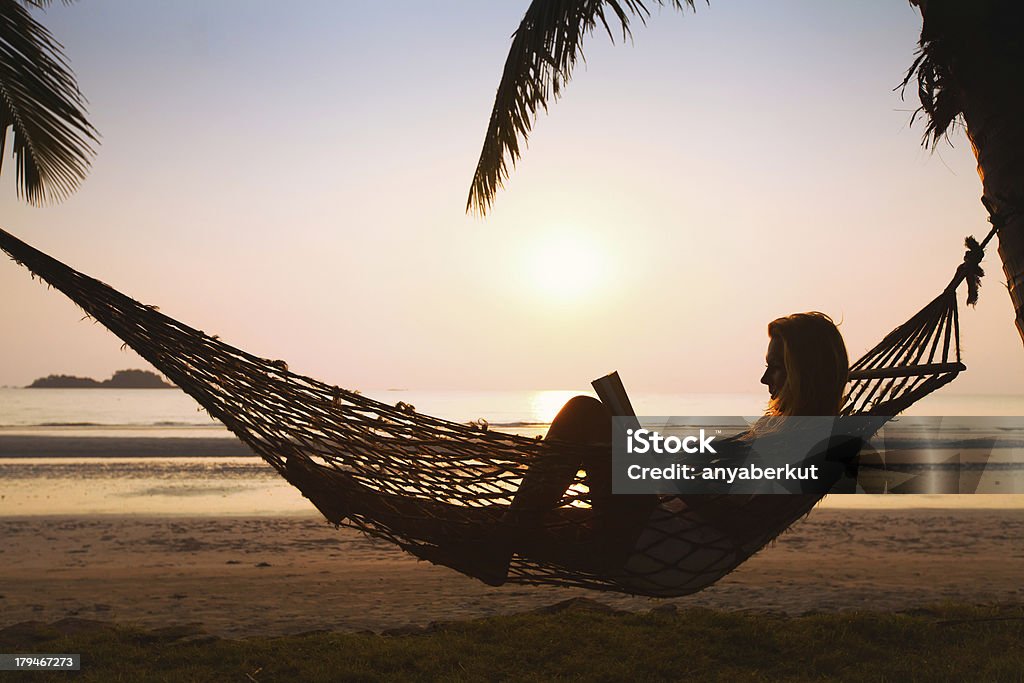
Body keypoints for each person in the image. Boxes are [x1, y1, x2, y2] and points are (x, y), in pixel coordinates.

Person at [477, 311, 850, 585]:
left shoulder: (817, 447)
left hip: (660, 548)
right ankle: (500, 538)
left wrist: (669, 472)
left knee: (584, 412)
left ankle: (499, 547)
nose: (765, 379)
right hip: (656, 528)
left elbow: (740, 521)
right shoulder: (782, 431)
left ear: (806, 372)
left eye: (777, 368)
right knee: (501, 518)